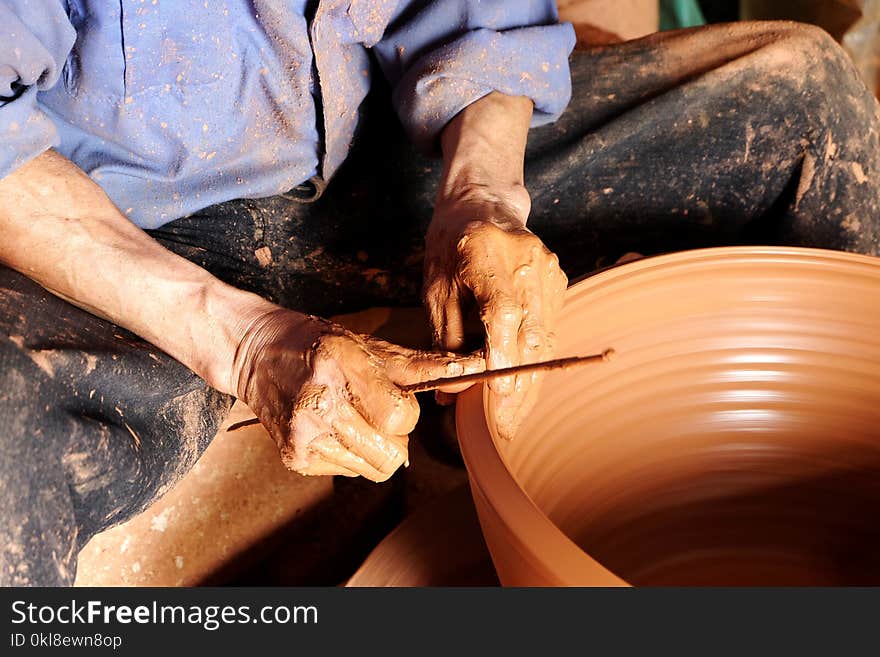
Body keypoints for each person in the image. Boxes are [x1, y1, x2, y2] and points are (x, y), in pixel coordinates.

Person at [0, 1, 877, 586]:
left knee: (804, 91)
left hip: (375, 158)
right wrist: (241, 341)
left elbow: (481, 16)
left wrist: (482, 196)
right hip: (118, 229)